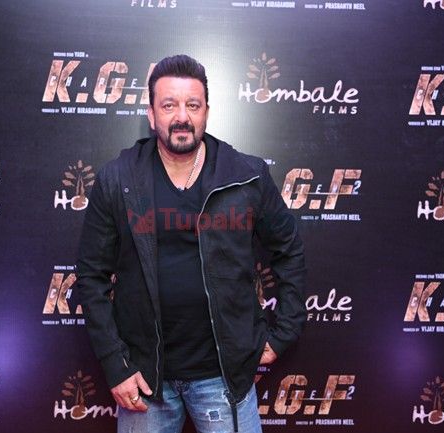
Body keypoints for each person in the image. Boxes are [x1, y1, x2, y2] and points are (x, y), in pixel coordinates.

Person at [76, 54, 306, 433]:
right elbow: (91, 276)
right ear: (151, 114)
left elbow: (289, 250)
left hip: (223, 377)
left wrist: (284, 333)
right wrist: (116, 365)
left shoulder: (246, 176)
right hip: (145, 379)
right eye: (169, 105)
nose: (182, 116)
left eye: (193, 105)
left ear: (207, 113)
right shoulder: (118, 180)